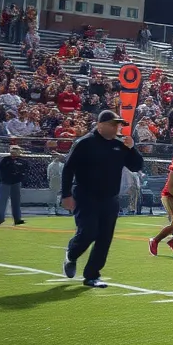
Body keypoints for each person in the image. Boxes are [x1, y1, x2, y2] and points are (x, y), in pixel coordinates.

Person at [61, 111, 145, 288]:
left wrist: (132, 148)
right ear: (100, 125)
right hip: (85, 195)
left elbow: (136, 166)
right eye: (113, 124)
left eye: (118, 125)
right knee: (88, 232)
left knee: (105, 238)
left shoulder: (119, 145)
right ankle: (72, 253)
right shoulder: (84, 143)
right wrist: (66, 194)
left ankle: (92, 275)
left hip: (110, 198)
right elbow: (68, 169)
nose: (117, 128)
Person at [0, 145, 29, 225]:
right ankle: (1, 218)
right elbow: (0, 168)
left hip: (16, 182)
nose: (14, 152)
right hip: (5, 182)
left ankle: (17, 219)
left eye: (16, 150)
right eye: (13, 150)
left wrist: (21, 176)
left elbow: (25, 170)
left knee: (16, 202)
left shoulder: (22, 161)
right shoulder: (5, 159)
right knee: (2, 201)